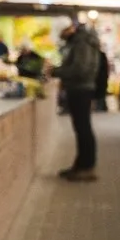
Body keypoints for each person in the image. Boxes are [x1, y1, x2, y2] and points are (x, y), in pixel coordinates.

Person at [49, 22, 101, 181]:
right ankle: (82, 165)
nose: (62, 37)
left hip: (80, 89)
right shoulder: (82, 41)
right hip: (81, 88)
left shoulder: (81, 42)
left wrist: (56, 71)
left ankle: (85, 166)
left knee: (83, 127)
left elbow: (80, 69)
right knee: (82, 128)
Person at [93, 46, 110, 112]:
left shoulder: (100, 55)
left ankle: (101, 108)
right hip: (101, 78)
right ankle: (102, 107)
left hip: (100, 78)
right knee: (101, 94)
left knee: (100, 94)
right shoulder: (101, 55)